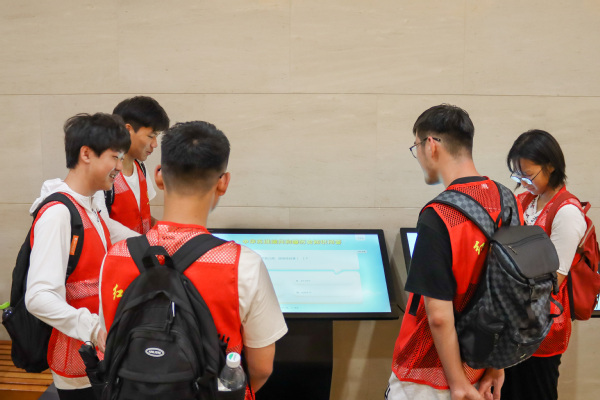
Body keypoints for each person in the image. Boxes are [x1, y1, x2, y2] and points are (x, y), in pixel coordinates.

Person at [99, 121, 288, 398]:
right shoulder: (243, 265)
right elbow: (261, 367)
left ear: (159, 176)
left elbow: (109, 344)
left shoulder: (115, 256)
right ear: (223, 183)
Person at [387, 104, 505, 400]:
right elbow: (510, 293)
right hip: (479, 367)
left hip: (428, 374)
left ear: (431, 145)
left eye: (416, 146)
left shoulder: (439, 215)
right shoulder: (506, 201)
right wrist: (496, 365)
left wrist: (457, 384)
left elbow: (438, 316)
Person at [25, 113, 136, 399]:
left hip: (96, 357)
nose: (120, 168)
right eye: (115, 157)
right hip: (77, 362)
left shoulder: (90, 207)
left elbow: (126, 237)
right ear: (86, 154)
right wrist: (94, 328)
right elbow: (38, 297)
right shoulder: (58, 214)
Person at [501, 130, 586, 400]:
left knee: (536, 391)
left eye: (528, 175)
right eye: (517, 176)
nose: (522, 183)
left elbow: (553, 280)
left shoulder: (567, 212)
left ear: (551, 166)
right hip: (514, 322)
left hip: (542, 327)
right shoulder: (526, 200)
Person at [103, 96, 170, 233]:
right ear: (128, 130)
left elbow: (144, 219)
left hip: (142, 246)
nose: (155, 144)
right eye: (151, 136)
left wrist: (170, 231)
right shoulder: (104, 176)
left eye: (157, 136)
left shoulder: (140, 168)